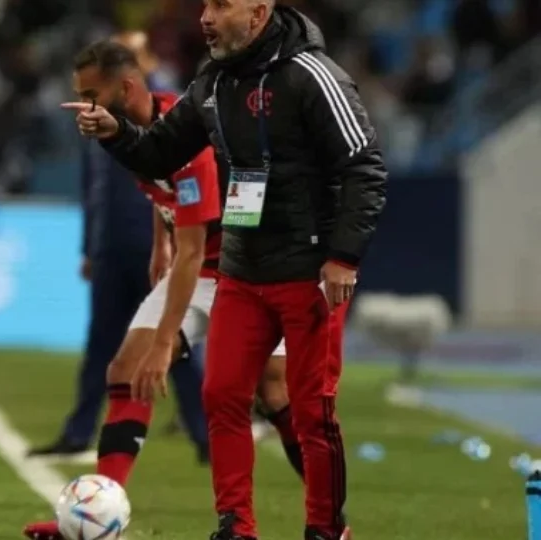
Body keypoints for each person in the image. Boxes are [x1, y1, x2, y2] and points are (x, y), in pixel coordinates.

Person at [62, 2, 388, 539]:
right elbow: (159, 152)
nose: (206, 17)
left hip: (308, 273)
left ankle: (327, 530)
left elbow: (364, 166)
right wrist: (115, 132)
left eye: (221, 5)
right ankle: (236, 526)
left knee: (311, 411)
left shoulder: (313, 75)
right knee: (222, 396)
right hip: (241, 269)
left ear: (258, 12)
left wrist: (343, 257)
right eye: (206, 5)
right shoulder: (213, 81)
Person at [26, 39, 303, 540]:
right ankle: (94, 517)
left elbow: (194, 247)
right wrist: (161, 242)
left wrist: (164, 344)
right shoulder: (132, 134)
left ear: (127, 88)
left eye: (91, 94)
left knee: (275, 389)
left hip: (250, 268)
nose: (83, 106)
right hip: (199, 265)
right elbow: (163, 193)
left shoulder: (190, 140)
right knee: (124, 370)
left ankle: (330, 519)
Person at [27, 47, 210, 463]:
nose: (86, 102)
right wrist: (91, 247)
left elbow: (173, 184)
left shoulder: (169, 122)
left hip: (176, 249)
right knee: (104, 348)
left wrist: (164, 244)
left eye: (92, 91)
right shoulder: (100, 132)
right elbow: (103, 191)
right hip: (114, 248)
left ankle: (206, 437)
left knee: (173, 349)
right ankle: (78, 433)